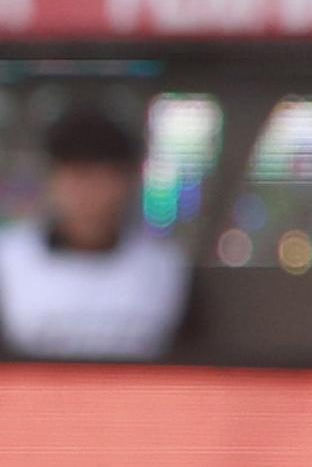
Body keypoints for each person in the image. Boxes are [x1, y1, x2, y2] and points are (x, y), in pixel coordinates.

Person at [0, 103, 186, 361]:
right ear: (52, 180)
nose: (86, 192)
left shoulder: (162, 265)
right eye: (75, 175)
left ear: (127, 181)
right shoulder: (11, 257)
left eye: (101, 176)